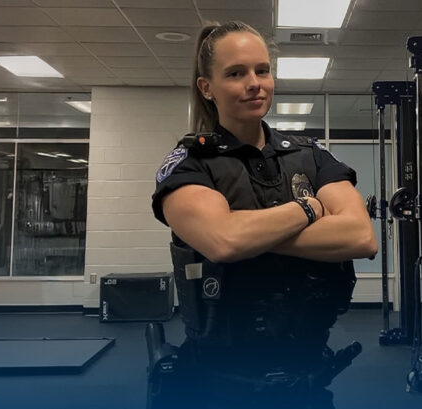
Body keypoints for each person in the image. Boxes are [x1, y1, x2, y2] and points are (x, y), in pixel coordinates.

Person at [150, 20, 377, 409]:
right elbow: (225, 241)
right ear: (208, 88)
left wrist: (255, 232)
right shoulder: (188, 165)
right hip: (217, 388)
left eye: (262, 70)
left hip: (307, 385)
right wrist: (310, 208)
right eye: (235, 73)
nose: (254, 83)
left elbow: (360, 236)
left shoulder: (312, 156)